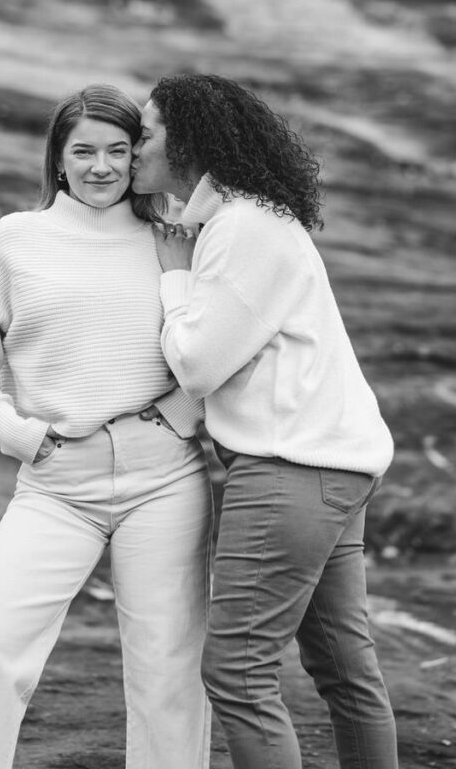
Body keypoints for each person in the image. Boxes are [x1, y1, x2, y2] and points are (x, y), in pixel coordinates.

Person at [0, 85, 212, 769]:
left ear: (137, 156)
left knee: (169, 673)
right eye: (82, 151)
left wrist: (179, 419)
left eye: (119, 150)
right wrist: (14, 430)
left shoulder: (173, 239)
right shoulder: (14, 238)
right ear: (58, 160)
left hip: (165, 477)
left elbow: (217, 345)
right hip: (58, 478)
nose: (100, 167)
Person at [131, 72, 398, 769]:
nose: (133, 145)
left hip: (290, 472)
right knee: (345, 671)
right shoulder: (247, 218)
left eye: (147, 130)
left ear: (185, 142)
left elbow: (197, 365)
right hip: (329, 469)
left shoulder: (242, 226)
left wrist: (173, 277)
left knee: (238, 674)